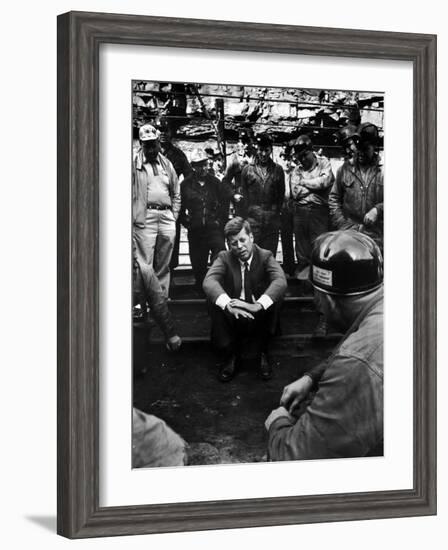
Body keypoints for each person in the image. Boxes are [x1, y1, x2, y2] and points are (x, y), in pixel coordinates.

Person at [265, 230, 384, 460]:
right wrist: (312, 377)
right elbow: (362, 351)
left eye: (315, 293)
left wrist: (277, 423)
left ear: (326, 299)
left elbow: (297, 459)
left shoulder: (356, 366)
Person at [203, 217, 287, 382]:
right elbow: (209, 281)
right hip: (235, 311)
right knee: (214, 300)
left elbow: (280, 280)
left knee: (276, 295)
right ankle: (231, 355)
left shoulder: (265, 256)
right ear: (229, 245)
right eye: (234, 243)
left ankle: (263, 352)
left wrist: (257, 305)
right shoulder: (224, 257)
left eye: (242, 240)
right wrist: (228, 305)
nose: (239, 247)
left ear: (251, 238)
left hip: (258, 311)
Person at [133, 123, 181, 296]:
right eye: (147, 144)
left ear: (158, 142)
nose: (151, 148)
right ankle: (141, 303)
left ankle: (161, 302)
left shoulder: (166, 164)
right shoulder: (133, 164)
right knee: (144, 264)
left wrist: (173, 215)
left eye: (153, 143)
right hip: (145, 217)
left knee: (164, 263)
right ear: (141, 144)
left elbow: (176, 191)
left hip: (167, 217)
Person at [180, 148, 231, 289]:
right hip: (195, 230)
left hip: (213, 229)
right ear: (193, 166)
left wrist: (220, 221)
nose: (203, 168)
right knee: (198, 264)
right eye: (198, 165)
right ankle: (200, 290)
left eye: (204, 164)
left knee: (220, 254)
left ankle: (217, 286)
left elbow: (224, 203)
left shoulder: (215, 183)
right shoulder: (185, 185)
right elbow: (180, 207)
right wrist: (187, 222)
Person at [329, 123, 384, 250]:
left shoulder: (384, 170)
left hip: (376, 237)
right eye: (358, 148)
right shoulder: (345, 169)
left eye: (365, 149)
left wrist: (378, 209)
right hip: (349, 234)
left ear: (374, 147)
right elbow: (334, 199)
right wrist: (343, 225)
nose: (360, 153)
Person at [289, 134, 334, 280]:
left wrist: (304, 182)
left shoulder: (324, 163)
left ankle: (319, 282)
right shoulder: (297, 170)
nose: (302, 159)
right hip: (300, 212)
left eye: (305, 155)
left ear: (311, 151)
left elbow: (325, 182)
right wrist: (315, 185)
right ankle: (304, 284)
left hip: (319, 212)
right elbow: (296, 193)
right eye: (299, 157)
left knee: (319, 248)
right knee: (302, 251)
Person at [156, 119, 193, 273]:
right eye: (160, 129)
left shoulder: (178, 155)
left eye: (166, 130)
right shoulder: (147, 151)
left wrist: (181, 195)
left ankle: (169, 282)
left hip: (171, 207)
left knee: (171, 242)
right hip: (151, 206)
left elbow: (190, 177)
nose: (163, 133)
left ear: (171, 133)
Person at [240, 134, 285, 255]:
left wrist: (274, 214)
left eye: (267, 150)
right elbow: (244, 197)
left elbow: (281, 196)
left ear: (271, 149)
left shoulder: (278, 170)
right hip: (253, 221)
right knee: (252, 256)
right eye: (261, 150)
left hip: (271, 221)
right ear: (256, 148)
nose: (264, 154)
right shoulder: (247, 170)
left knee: (269, 256)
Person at [133, 254, 182, 352]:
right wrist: (171, 334)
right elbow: (158, 304)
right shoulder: (144, 271)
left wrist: (170, 333)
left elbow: (158, 304)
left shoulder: (144, 271)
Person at [221, 129, 256, 217]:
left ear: (252, 141)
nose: (246, 145)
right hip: (241, 201)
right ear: (239, 143)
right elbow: (225, 181)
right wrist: (233, 195)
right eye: (243, 142)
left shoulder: (259, 158)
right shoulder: (234, 159)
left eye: (248, 141)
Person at [279, 147, 296, 276]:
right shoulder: (278, 172)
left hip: (295, 208)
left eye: (289, 159)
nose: (287, 162)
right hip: (282, 209)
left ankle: (297, 268)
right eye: (284, 159)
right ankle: (287, 267)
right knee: (286, 239)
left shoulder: (295, 172)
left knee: (299, 241)